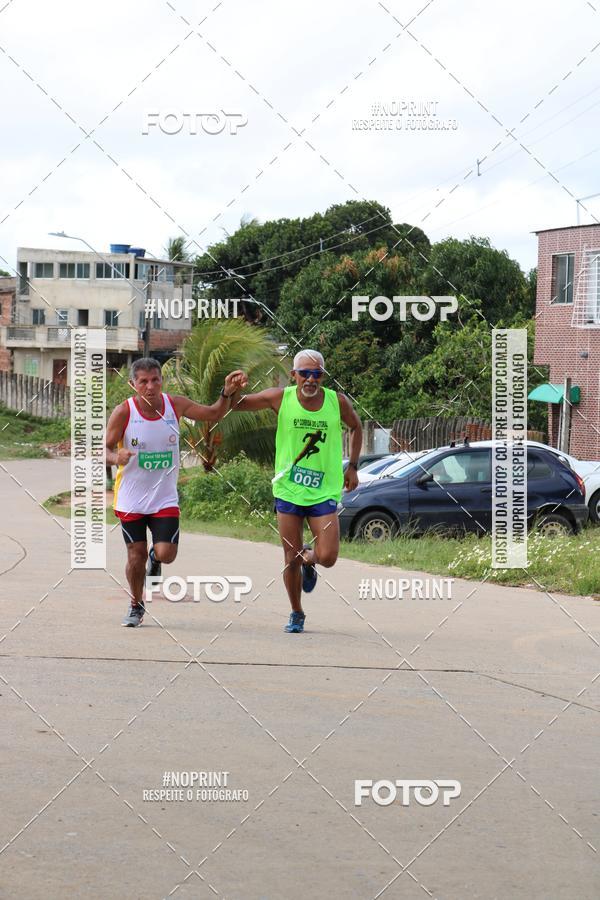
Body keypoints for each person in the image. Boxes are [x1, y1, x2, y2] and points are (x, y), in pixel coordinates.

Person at [105, 357, 247, 626]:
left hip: (163, 498)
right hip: (131, 498)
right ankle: (136, 605)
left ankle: (155, 557)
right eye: (143, 382)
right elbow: (104, 450)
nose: (150, 386)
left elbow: (214, 413)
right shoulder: (124, 412)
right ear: (133, 384)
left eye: (155, 380)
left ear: (161, 380)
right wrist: (115, 458)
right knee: (134, 557)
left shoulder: (175, 405)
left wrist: (226, 393)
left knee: (167, 554)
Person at [230, 349, 362, 633]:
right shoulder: (281, 397)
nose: (310, 379)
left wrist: (352, 466)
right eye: (304, 373)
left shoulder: (336, 402)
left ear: (323, 377)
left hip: (323, 490)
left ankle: (309, 559)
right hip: (289, 490)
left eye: (316, 374)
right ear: (294, 375)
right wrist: (228, 391)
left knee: (327, 556)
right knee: (289, 559)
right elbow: (237, 405)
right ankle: (296, 612)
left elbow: (356, 426)